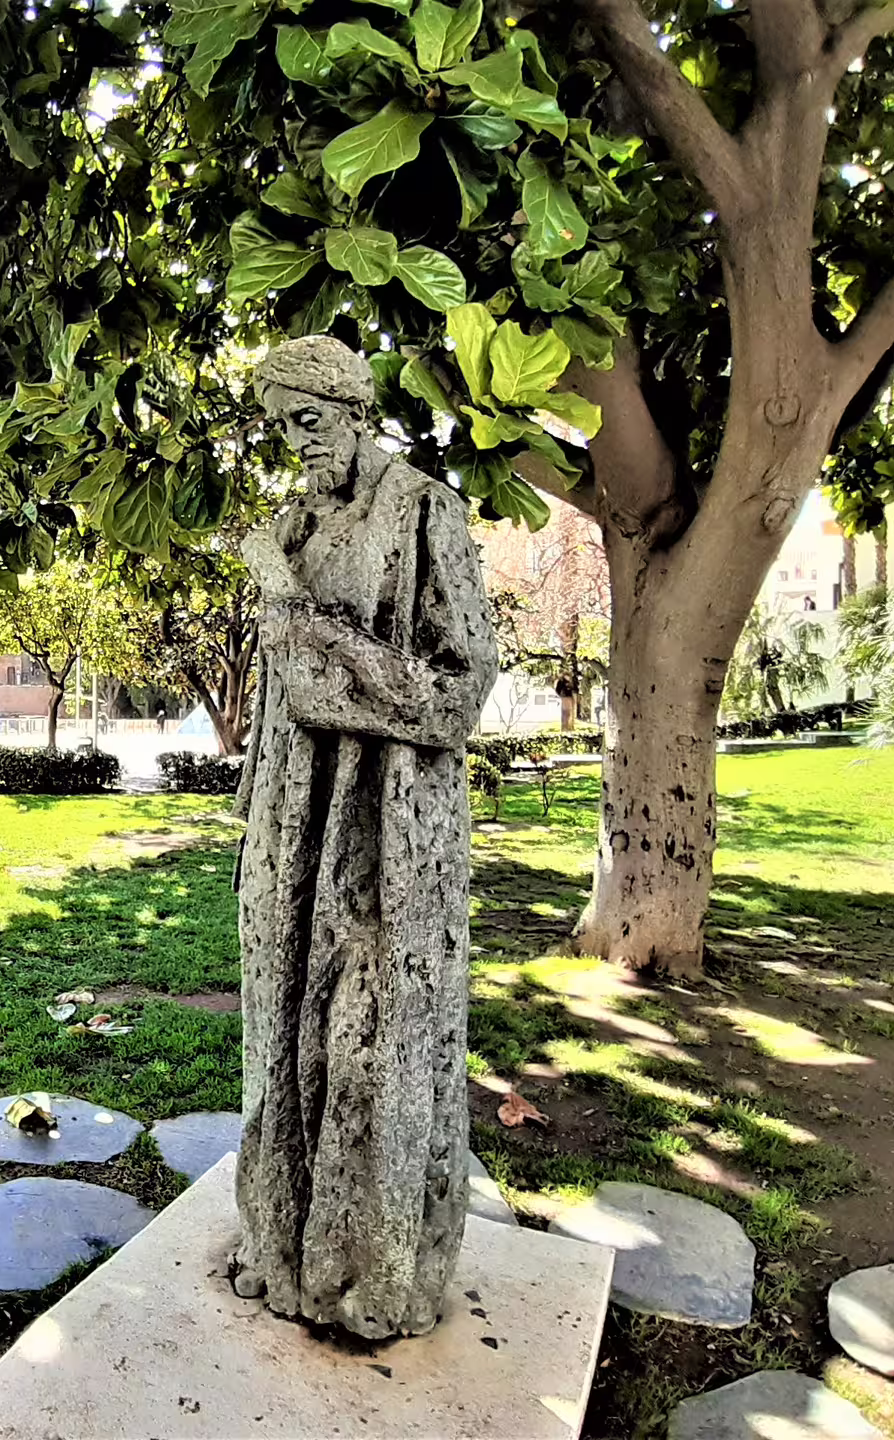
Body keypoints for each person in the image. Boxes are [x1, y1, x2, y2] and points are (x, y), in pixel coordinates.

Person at [231, 336, 495, 1339]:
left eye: (308, 420)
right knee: (279, 1032)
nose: (296, 442)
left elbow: (459, 690)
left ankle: (374, 1273)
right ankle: (282, 1246)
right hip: (290, 825)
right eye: (280, 426)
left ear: (354, 410)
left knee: (373, 1040)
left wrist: (312, 635)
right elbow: (274, 694)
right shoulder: (288, 527)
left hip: (387, 827)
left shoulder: (425, 512)